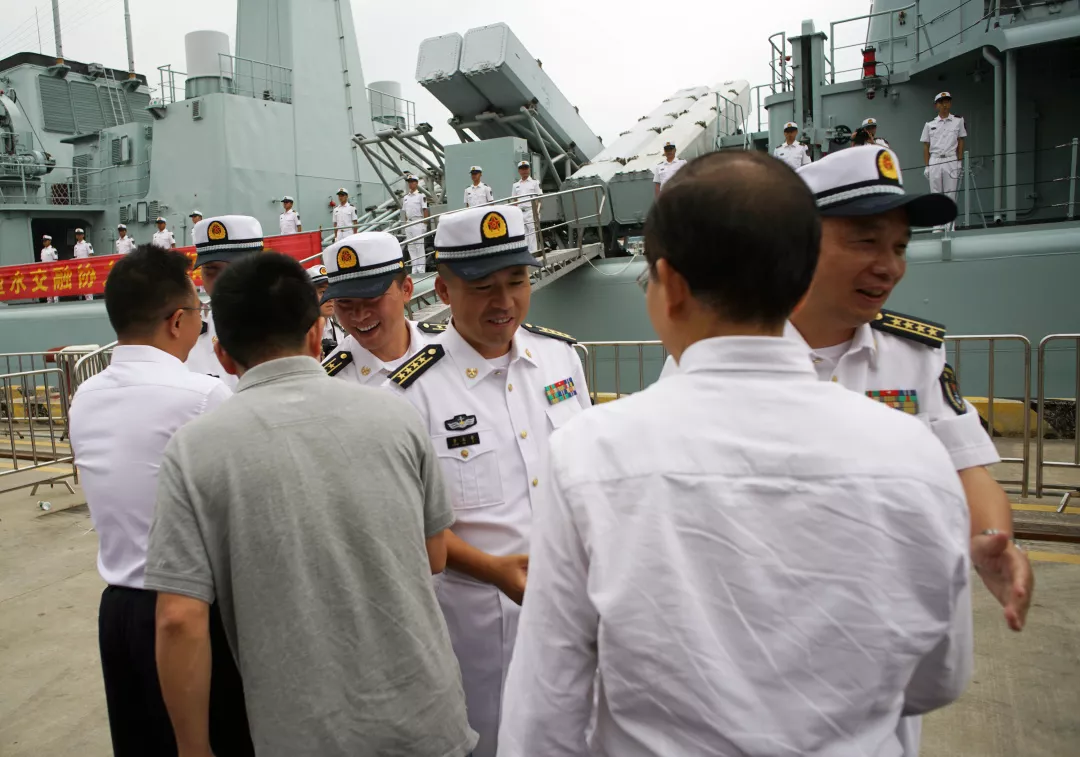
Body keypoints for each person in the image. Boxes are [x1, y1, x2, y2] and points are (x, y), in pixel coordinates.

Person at [499, 150, 973, 756]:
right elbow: (940, 677)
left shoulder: (588, 456)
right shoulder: (917, 456)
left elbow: (547, 710)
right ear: (799, 281)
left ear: (671, 286)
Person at [145, 252, 477, 757]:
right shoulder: (396, 418)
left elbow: (178, 619)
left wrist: (193, 748)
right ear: (317, 334)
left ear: (222, 355)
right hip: (428, 721)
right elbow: (434, 556)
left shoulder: (192, 451)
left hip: (303, 733)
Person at [793, 145, 1031, 755]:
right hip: (772, 637)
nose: (890, 267)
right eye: (866, 242)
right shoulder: (722, 354)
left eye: (900, 247)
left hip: (880, 651)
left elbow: (966, 468)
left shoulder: (914, 356)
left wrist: (992, 541)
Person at [388, 204, 591, 757]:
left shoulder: (561, 359)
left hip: (568, 601)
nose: (504, 302)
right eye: (482, 287)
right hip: (472, 624)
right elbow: (407, 525)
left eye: (517, 281)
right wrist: (494, 571)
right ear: (443, 290)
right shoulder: (409, 393)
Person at [68, 245, 250, 757]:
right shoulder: (202, 397)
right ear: (177, 321)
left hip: (119, 613)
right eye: (197, 311)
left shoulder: (86, 395)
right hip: (191, 612)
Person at [320, 232, 441, 386]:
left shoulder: (451, 349)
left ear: (406, 289)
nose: (359, 315)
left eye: (372, 298)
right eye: (344, 302)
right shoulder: (329, 383)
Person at [185, 215, 265, 390]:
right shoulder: (190, 337)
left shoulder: (290, 331)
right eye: (211, 271)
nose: (222, 282)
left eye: (234, 270)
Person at [921, 92, 966, 231]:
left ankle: (949, 225)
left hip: (951, 158)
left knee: (950, 193)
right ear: (936, 106)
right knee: (936, 194)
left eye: (947, 101)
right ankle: (938, 224)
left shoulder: (958, 121)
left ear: (950, 104)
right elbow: (926, 146)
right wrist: (927, 166)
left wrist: (959, 162)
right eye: (941, 102)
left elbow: (960, 141)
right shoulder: (929, 124)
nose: (944, 105)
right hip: (935, 159)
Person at [306, 263, 341, 356]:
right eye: (323, 292)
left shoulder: (340, 329)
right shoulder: (300, 333)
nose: (330, 298)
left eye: (332, 292)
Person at [511, 160, 543, 253]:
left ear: (529, 169)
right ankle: (526, 253)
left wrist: (536, 211)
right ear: (519, 171)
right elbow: (515, 200)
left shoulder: (535, 183)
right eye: (522, 169)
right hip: (520, 211)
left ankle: (534, 252)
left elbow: (539, 198)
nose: (524, 171)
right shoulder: (515, 185)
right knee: (523, 233)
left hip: (531, 211)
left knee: (532, 233)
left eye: (526, 168)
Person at [402, 175, 430, 272]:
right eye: (409, 182)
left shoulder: (421, 196)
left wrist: (425, 224)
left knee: (419, 247)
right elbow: (405, 212)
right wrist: (406, 223)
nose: (410, 184)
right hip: (409, 223)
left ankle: (421, 269)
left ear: (416, 183)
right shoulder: (405, 197)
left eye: (412, 181)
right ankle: (414, 269)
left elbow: (425, 210)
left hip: (418, 222)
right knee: (411, 247)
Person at [74, 228, 95, 300]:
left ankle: (90, 299)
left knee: (88, 284)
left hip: (86, 268)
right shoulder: (76, 246)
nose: (78, 236)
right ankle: (85, 298)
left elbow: (91, 255)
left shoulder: (87, 244)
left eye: (80, 234)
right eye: (77, 235)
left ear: (83, 235)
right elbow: (76, 257)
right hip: (79, 268)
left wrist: (88, 266)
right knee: (82, 284)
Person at [40, 235, 58, 302]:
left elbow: (56, 260)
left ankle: (55, 300)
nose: (44, 242)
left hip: (52, 270)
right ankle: (49, 299)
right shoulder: (42, 250)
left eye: (45, 241)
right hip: (45, 271)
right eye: (43, 241)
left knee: (54, 285)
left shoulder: (53, 250)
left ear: (49, 241)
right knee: (48, 285)